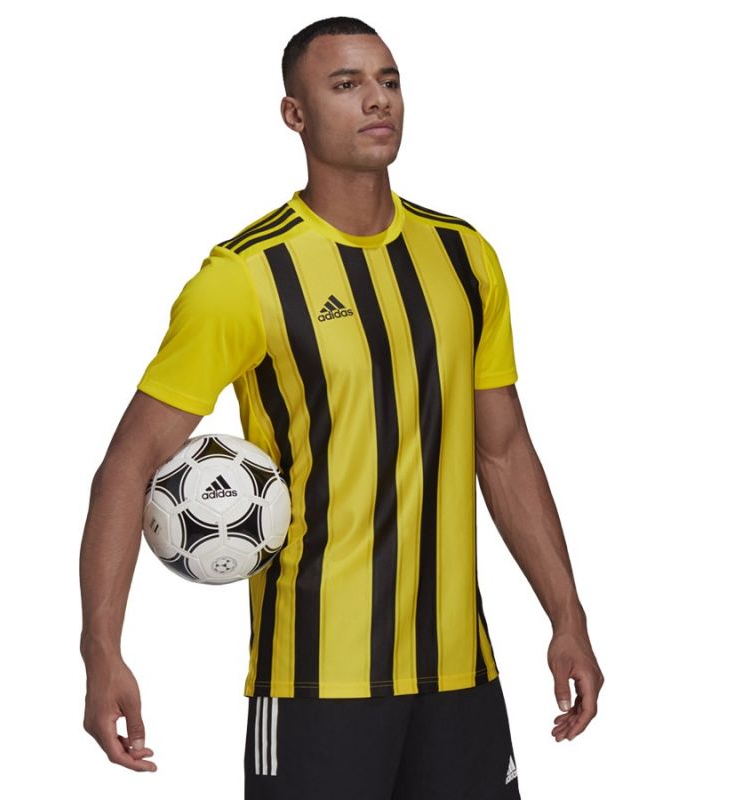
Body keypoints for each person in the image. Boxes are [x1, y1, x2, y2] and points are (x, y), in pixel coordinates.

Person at [79, 16, 604, 799]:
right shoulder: (245, 277)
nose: (377, 100)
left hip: (461, 675)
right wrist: (102, 652)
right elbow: (127, 466)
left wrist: (567, 617)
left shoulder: (464, 257)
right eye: (346, 84)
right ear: (294, 114)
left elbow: (502, 450)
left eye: (389, 81)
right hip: (315, 682)